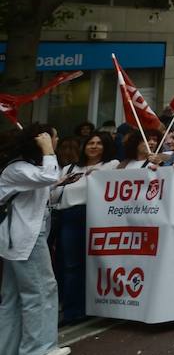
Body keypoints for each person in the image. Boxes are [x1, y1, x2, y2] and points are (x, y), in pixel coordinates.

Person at [0, 124, 71, 355]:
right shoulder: (18, 168)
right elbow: (49, 176)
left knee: (13, 297)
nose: (57, 139)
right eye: (53, 137)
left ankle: (6, 354)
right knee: (40, 290)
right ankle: (36, 350)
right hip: (26, 239)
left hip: (18, 239)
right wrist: (49, 151)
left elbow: (46, 185)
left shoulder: (24, 169)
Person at [49, 131, 115, 325]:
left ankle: (94, 307)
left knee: (94, 264)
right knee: (70, 265)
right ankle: (71, 311)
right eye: (90, 143)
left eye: (99, 143)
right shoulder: (69, 168)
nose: (94, 146)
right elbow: (53, 195)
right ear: (84, 146)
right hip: (68, 217)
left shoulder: (110, 166)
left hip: (95, 216)